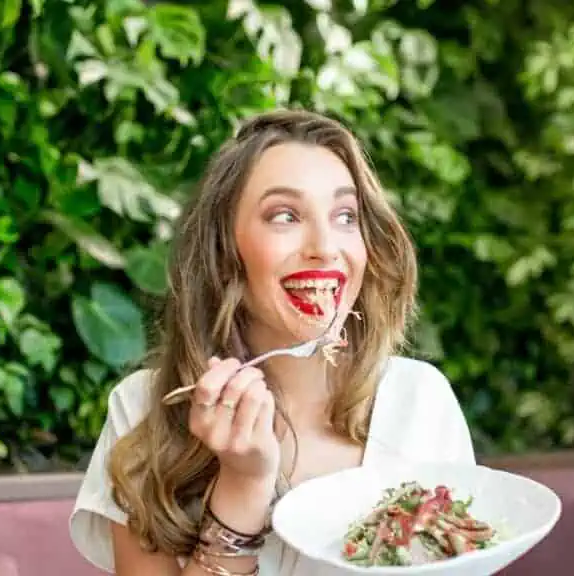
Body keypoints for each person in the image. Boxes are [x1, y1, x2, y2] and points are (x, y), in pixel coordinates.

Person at [69, 109, 476, 576]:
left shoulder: (420, 404)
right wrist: (243, 487)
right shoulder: (143, 410)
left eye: (346, 216)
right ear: (225, 252)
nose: (325, 246)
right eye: (285, 215)